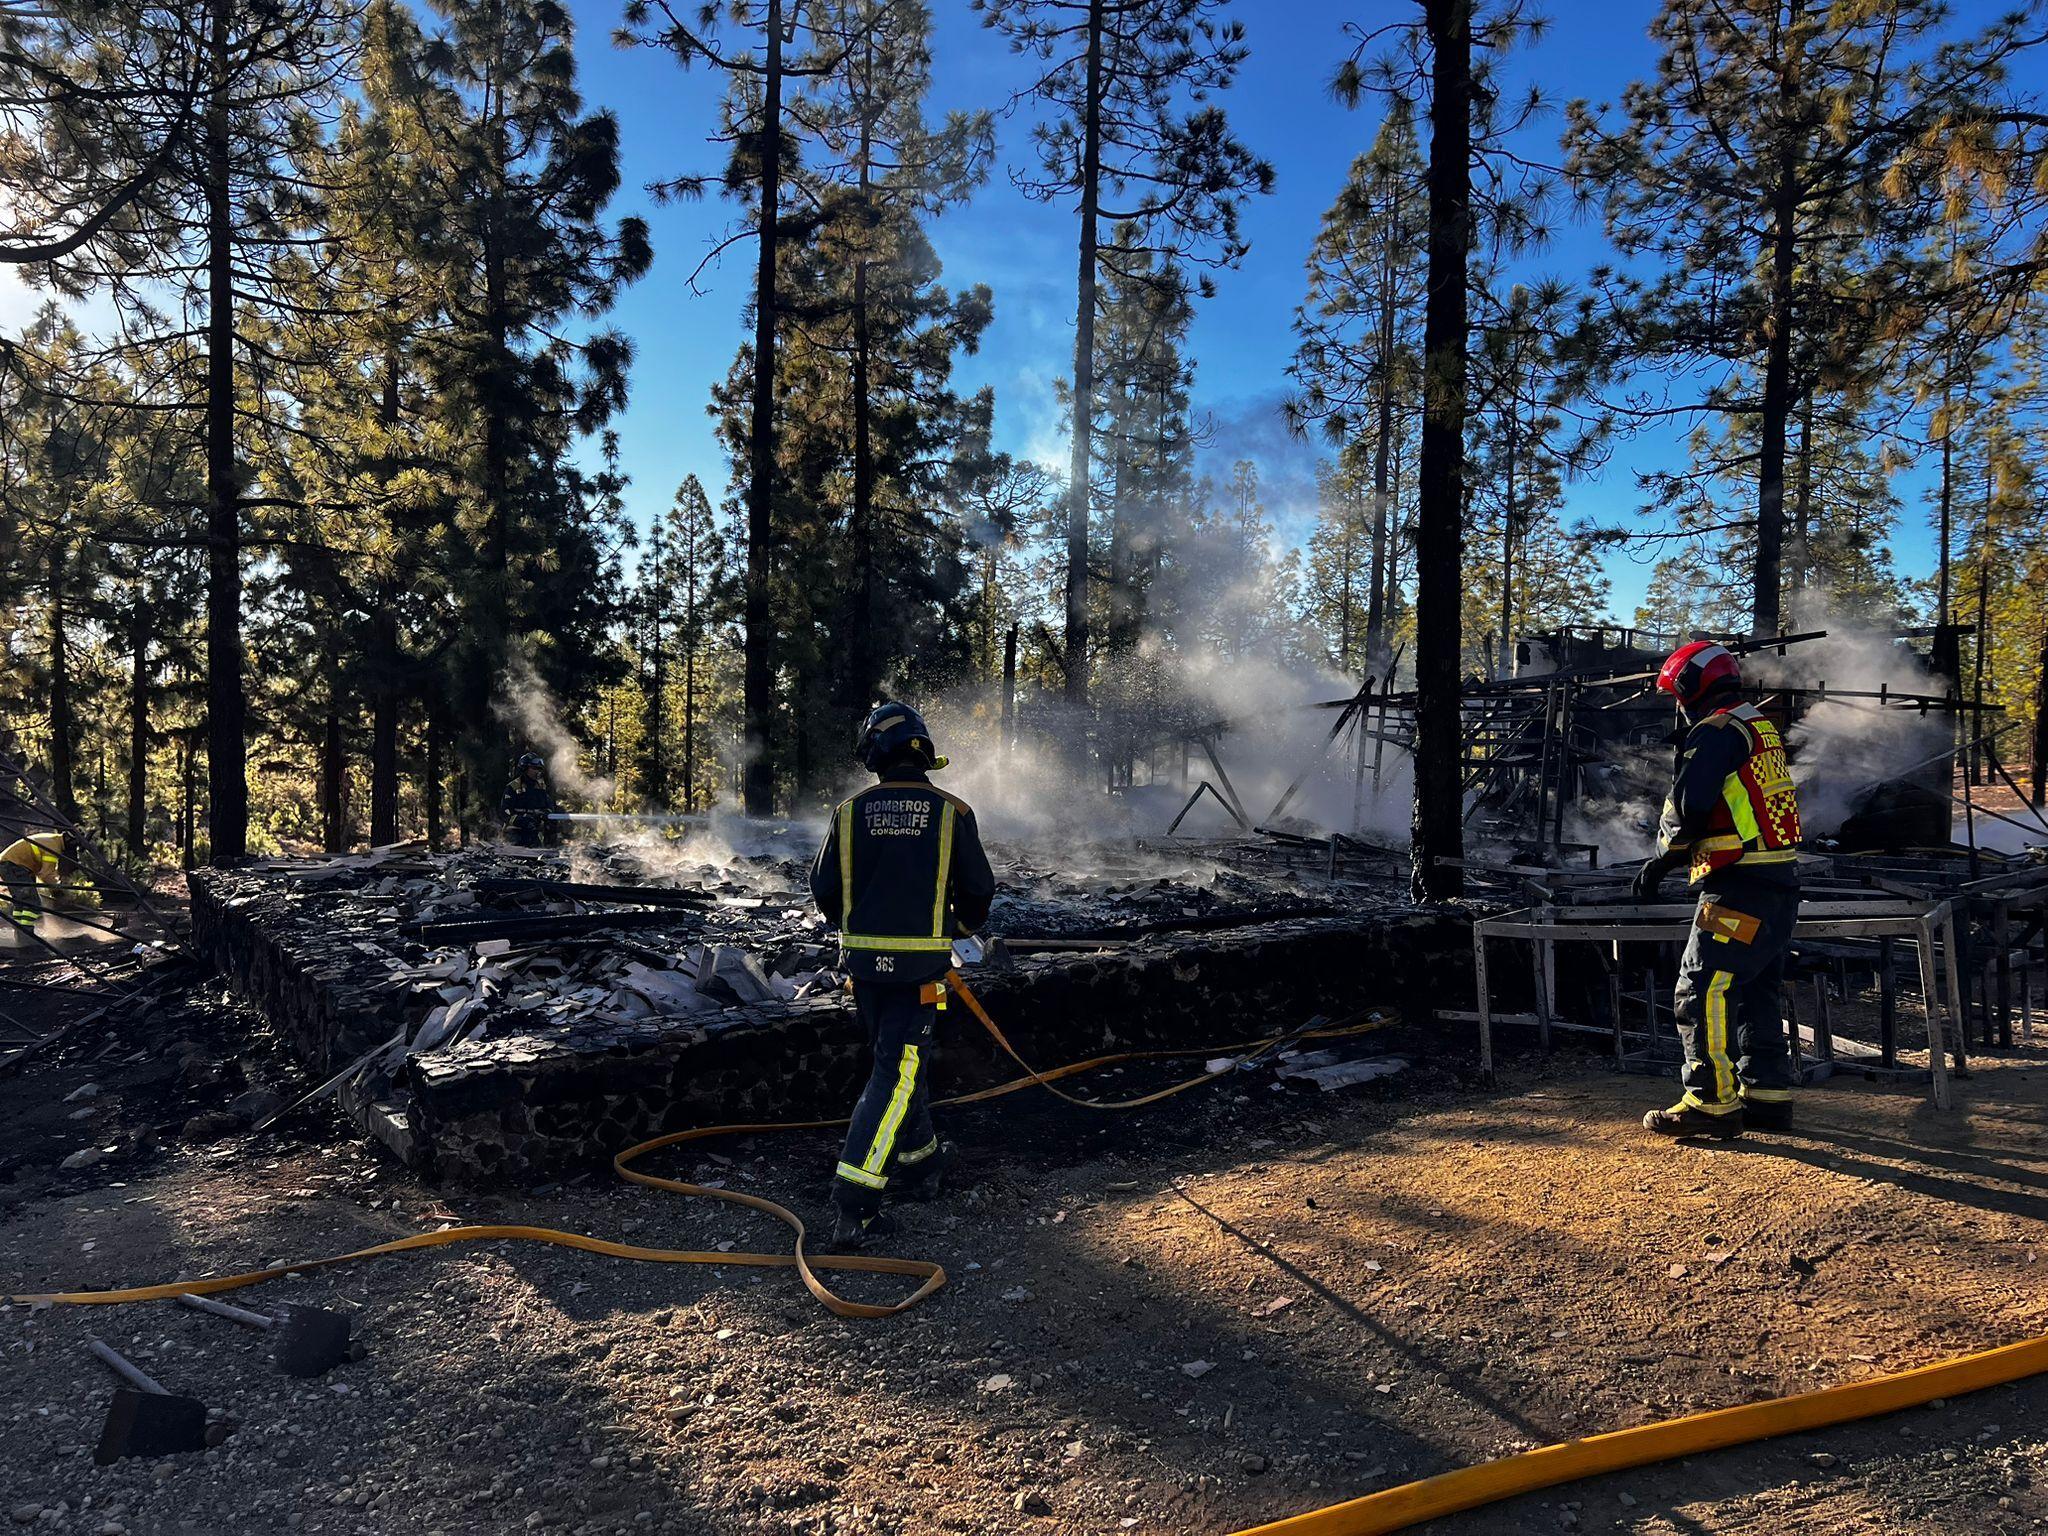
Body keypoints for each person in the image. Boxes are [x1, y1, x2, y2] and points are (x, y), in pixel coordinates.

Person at [809, 701, 996, 1249]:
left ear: (874, 754)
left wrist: (863, 926)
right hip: (921, 970)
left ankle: (919, 1159)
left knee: (895, 1066)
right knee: (896, 1073)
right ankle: (855, 1203)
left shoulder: (848, 813)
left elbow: (824, 891)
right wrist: (947, 926)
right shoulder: (952, 813)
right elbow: (979, 894)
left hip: (864, 969)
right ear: (921, 749)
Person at [1631, 641, 1803, 1138]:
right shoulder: (1758, 727)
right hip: (1777, 882)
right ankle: (1767, 1097)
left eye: (1676, 694)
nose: (1677, 706)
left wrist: (1660, 861)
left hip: (1737, 886)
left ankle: (1709, 1101)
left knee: (1700, 986)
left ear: (1691, 687)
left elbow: (1689, 806)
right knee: (1754, 988)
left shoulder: (1715, 731)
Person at [0, 831, 67, 931]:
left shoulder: (52, 839)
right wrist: (57, 891)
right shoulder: (53, 847)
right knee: (32, 903)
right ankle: (27, 935)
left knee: (21, 902)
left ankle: (20, 933)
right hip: (14, 866)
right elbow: (46, 874)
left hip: (11, 865)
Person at [500, 752, 555, 846]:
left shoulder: (541, 788)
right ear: (525, 768)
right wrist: (523, 820)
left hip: (534, 832)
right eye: (534, 768)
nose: (537, 771)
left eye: (539, 769)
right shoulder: (513, 787)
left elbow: (549, 807)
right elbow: (505, 812)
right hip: (514, 833)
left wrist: (545, 814)